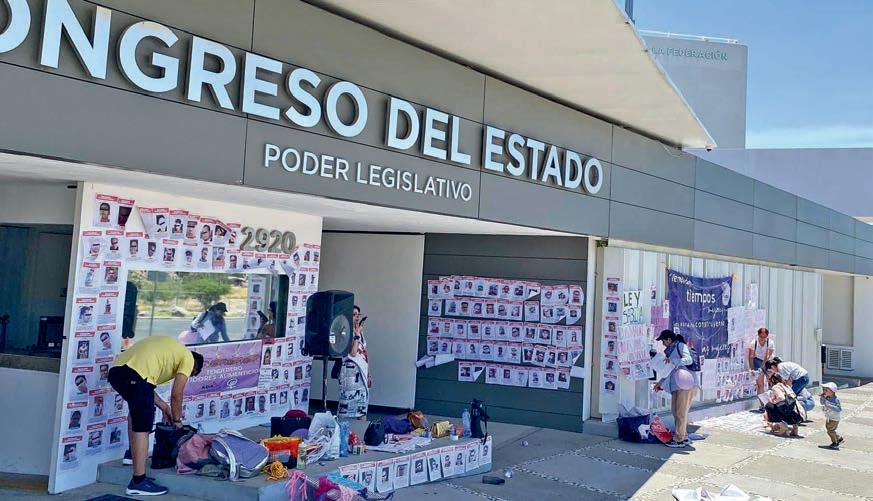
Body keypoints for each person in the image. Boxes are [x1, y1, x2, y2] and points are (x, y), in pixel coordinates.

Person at [108, 336, 203, 496]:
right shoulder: (188, 358)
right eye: (191, 374)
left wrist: (164, 407)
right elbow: (176, 394)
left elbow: (144, 386)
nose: (187, 375)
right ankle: (138, 482)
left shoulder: (170, 349)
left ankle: (131, 455)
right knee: (143, 426)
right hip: (136, 376)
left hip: (117, 372)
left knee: (136, 412)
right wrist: (177, 421)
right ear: (195, 367)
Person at [652, 330, 699, 448]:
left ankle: (679, 439)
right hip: (677, 384)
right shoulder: (670, 352)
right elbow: (670, 371)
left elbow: (688, 359)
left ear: (669, 339)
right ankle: (684, 436)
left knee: (680, 412)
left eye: (663, 341)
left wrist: (674, 360)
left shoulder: (680, 346)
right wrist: (660, 383)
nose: (663, 344)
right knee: (676, 411)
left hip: (686, 384)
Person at [337, 305, 371, 419]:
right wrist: (356, 335)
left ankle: (362, 424)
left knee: (362, 404)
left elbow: (363, 352)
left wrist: (369, 373)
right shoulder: (344, 331)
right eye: (354, 314)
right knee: (346, 403)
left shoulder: (360, 332)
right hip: (350, 372)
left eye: (358, 315)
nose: (357, 317)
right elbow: (353, 353)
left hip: (361, 371)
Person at [748, 327, 775, 411]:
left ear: (767, 336)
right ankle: (763, 405)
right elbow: (751, 357)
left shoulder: (770, 342)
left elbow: (768, 355)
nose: (762, 338)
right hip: (757, 360)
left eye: (764, 337)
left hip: (768, 361)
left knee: (772, 382)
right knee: (760, 384)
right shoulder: (754, 343)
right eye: (761, 336)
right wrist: (752, 369)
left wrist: (763, 366)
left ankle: (774, 403)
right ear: (758, 335)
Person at [820, 382, 844, 449]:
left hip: (834, 418)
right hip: (829, 417)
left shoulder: (835, 400)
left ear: (832, 392)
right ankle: (839, 438)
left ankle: (835, 442)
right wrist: (822, 397)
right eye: (823, 389)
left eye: (826, 390)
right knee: (829, 428)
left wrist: (830, 406)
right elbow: (822, 403)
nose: (824, 391)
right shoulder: (827, 398)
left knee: (830, 430)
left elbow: (839, 409)